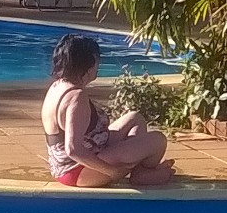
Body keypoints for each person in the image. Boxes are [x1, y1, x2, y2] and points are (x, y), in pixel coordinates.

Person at [42, 34, 175, 187]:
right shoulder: (76, 98)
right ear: (89, 64)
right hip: (77, 171)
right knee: (158, 140)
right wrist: (112, 172)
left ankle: (140, 171)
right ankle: (142, 174)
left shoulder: (58, 86)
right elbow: (73, 149)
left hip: (69, 164)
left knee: (135, 118)